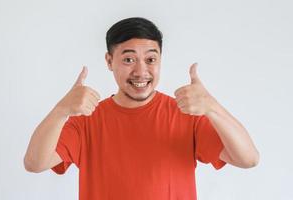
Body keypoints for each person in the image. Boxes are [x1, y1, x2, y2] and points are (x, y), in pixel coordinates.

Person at [24, 17, 259, 200]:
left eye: (150, 59)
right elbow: (34, 163)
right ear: (109, 61)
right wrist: (61, 109)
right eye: (128, 59)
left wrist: (212, 107)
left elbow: (248, 159)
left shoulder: (186, 114)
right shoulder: (87, 119)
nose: (141, 71)